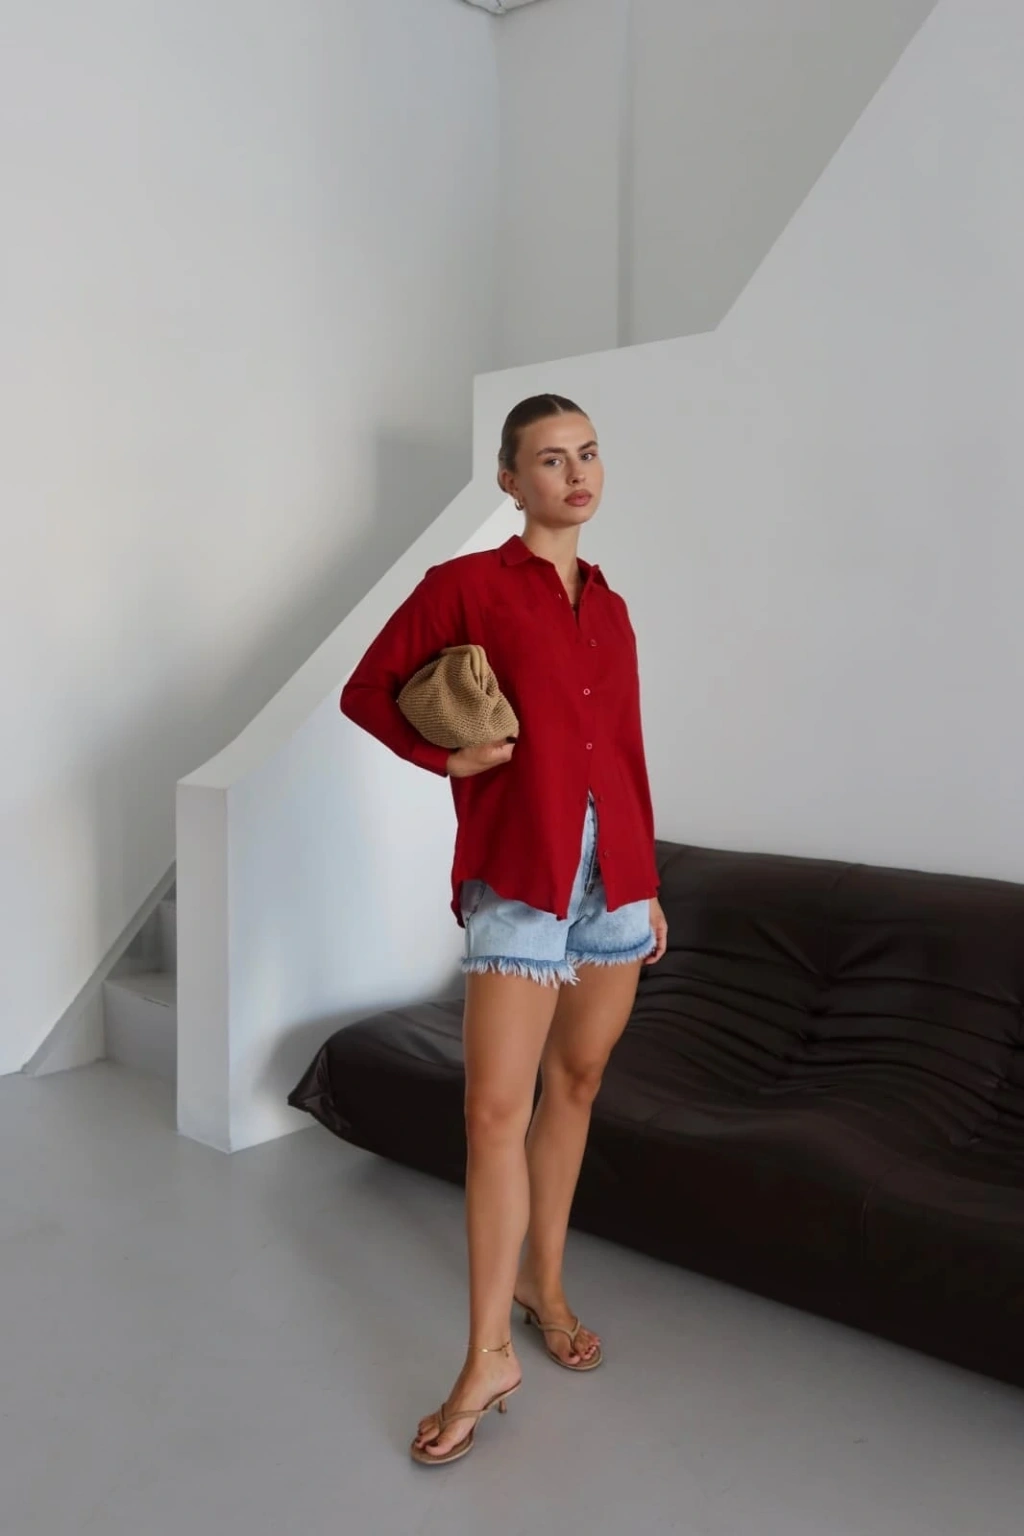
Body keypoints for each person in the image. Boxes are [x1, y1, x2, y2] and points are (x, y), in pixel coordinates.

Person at [340, 393, 667, 1466]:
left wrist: (646, 883)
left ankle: (545, 1286)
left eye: (588, 454)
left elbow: (625, 748)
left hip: (616, 880)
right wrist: (448, 758)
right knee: (493, 1111)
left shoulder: (612, 607)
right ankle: (486, 1355)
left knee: (577, 1085)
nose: (576, 474)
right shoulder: (466, 586)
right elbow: (366, 690)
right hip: (521, 878)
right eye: (550, 459)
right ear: (510, 480)